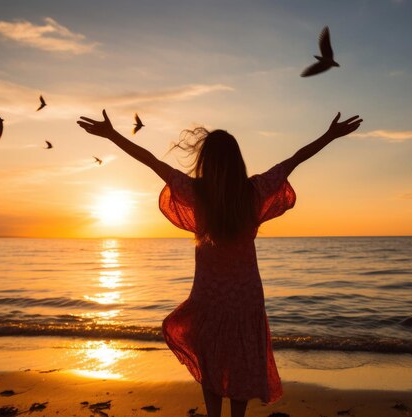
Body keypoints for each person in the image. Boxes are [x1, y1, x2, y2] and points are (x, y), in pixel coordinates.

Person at [77, 110, 362, 417]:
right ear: (237, 160)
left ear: (206, 162)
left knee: (211, 359)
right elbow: (295, 159)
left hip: (209, 296)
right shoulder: (254, 191)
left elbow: (150, 161)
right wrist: (329, 136)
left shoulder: (196, 192)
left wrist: (113, 135)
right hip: (245, 297)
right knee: (240, 361)